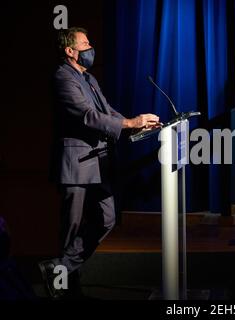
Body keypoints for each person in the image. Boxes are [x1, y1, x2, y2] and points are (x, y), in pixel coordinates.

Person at [40, 27, 161, 299]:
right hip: (75, 162)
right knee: (71, 227)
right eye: (85, 44)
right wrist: (128, 123)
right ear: (70, 51)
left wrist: (137, 122)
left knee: (106, 219)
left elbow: (106, 111)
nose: (90, 47)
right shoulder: (62, 77)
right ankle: (65, 285)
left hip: (98, 162)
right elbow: (86, 115)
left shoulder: (90, 79)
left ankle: (60, 269)